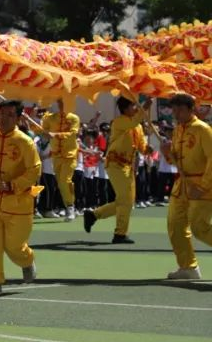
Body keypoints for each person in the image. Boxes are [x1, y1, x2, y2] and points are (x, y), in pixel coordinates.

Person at [0, 100, 41, 298]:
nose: (4, 118)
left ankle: (27, 260)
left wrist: (14, 184)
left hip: (18, 204)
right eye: (2, 114)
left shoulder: (25, 142)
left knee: (14, 247)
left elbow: (34, 170)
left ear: (18, 118)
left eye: (10, 115)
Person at [84, 97, 153, 243]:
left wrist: (147, 149)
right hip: (116, 164)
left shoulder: (138, 127)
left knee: (126, 201)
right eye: (133, 106)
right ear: (125, 108)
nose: (136, 108)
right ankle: (120, 234)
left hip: (128, 166)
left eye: (136, 106)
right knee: (125, 201)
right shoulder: (120, 121)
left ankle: (94, 215)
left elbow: (141, 146)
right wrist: (144, 108)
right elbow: (134, 121)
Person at [160, 93, 212, 279]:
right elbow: (176, 161)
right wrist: (166, 153)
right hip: (181, 186)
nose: (176, 114)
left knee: (200, 228)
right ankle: (188, 267)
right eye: (174, 110)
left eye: (180, 110)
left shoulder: (203, 129)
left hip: (201, 187)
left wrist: (204, 186)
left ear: (191, 109)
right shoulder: (177, 130)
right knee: (175, 225)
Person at [24, 100, 81, 221]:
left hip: (69, 155)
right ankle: (69, 205)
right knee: (60, 183)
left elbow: (72, 134)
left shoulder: (74, 118)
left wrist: (54, 135)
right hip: (56, 156)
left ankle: (70, 206)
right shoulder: (50, 118)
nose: (62, 105)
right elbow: (40, 131)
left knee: (66, 180)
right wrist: (28, 119)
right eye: (60, 102)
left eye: (64, 102)